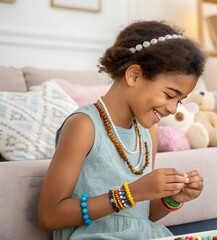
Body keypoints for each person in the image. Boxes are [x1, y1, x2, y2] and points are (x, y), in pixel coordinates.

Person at [38, 20, 206, 239]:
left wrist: (172, 197)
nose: (173, 109)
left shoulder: (148, 131)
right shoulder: (83, 126)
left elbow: (141, 216)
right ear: (134, 75)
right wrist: (131, 192)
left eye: (180, 101)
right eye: (169, 95)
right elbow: (50, 215)